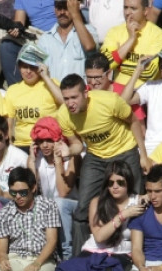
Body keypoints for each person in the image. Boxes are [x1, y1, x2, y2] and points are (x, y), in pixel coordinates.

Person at [56, 73, 147, 255]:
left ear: (86, 94)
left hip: (124, 150)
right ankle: (80, 257)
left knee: (137, 200)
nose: (70, 103)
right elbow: (76, 144)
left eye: (74, 97)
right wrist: (68, 152)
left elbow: (134, 122)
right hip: (96, 155)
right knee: (82, 207)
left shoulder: (109, 101)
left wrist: (142, 155)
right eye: (66, 98)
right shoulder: (63, 115)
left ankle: (138, 252)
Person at [27, 116, 76, 260]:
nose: (45, 145)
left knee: (58, 203)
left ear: (58, 141)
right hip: (49, 208)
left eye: (49, 140)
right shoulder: (37, 159)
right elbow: (31, 190)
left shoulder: (70, 158)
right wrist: (31, 159)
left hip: (70, 206)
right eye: (41, 141)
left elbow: (63, 192)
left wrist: (58, 161)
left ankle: (67, 254)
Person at [100, 0, 162, 92]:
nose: (128, 12)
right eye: (125, 7)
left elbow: (150, 72)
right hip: (118, 92)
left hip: (145, 93)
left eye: (133, 8)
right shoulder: (114, 32)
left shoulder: (159, 35)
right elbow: (104, 65)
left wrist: (119, 65)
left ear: (145, 11)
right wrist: (131, 39)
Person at [3, 43, 62, 151]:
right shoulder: (13, 90)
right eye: (25, 67)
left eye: (32, 67)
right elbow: (9, 123)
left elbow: (64, 102)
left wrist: (46, 78)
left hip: (48, 143)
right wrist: (10, 146)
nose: (28, 71)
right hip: (22, 144)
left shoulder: (51, 84)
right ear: (19, 67)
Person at [37, 0, 97, 83]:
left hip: (80, 93)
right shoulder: (45, 39)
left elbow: (89, 46)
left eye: (66, 8)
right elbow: (37, 69)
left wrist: (75, 14)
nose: (62, 12)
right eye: (59, 8)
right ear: (54, 9)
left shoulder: (89, 30)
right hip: (53, 92)